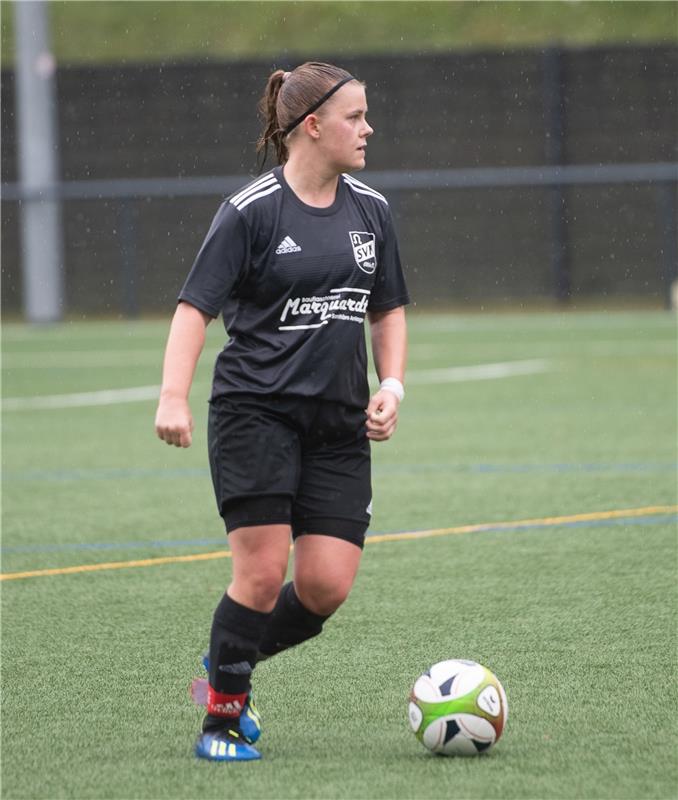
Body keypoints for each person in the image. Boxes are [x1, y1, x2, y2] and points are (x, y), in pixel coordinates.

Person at [155, 61, 409, 762]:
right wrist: (173, 395)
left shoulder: (373, 211)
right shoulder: (251, 211)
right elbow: (193, 309)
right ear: (312, 126)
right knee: (263, 575)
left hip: (339, 424)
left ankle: (224, 666)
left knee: (325, 586)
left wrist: (392, 385)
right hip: (255, 415)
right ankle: (222, 723)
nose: (368, 129)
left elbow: (386, 307)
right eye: (355, 117)